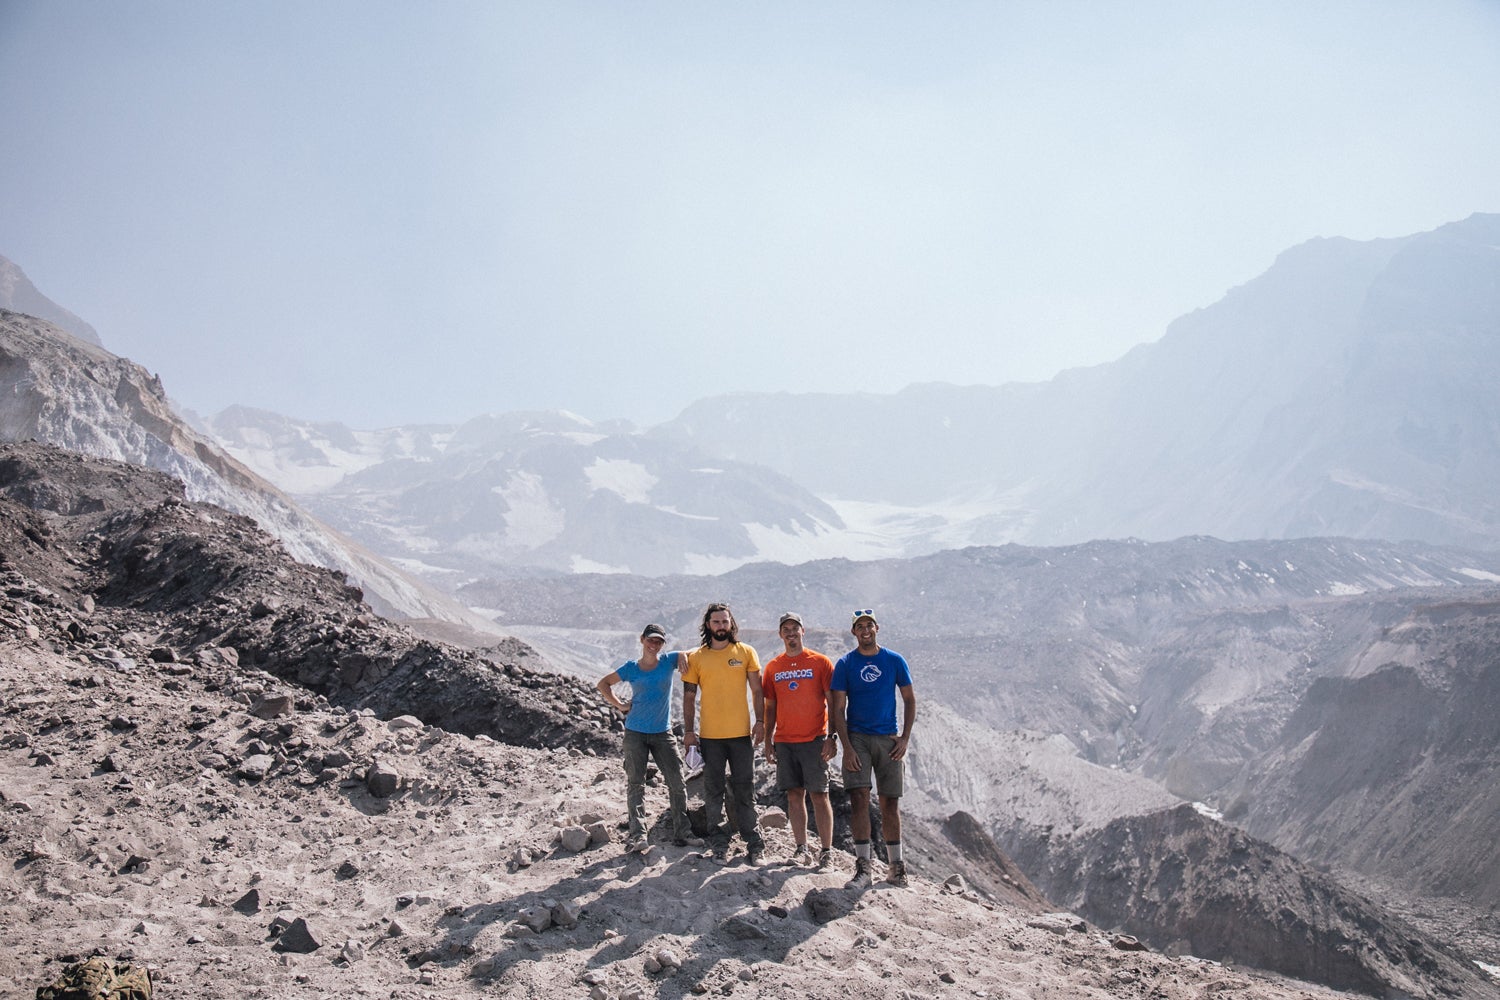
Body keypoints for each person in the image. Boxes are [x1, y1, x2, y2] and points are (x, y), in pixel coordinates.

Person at [596, 623, 701, 853]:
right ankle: (638, 836)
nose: (654, 645)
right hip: (635, 732)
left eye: (659, 641)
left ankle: (682, 832)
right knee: (636, 783)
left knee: (676, 781)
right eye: (651, 640)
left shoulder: (668, 661)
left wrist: (683, 653)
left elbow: (698, 651)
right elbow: (603, 684)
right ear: (642, 640)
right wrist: (621, 706)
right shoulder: (631, 668)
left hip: (663, 733)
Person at [831, 608, 917, 888]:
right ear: (853, 632)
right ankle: (863, 868)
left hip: (888, 738)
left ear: (877, 628)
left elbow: (909, 699)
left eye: (869, 625)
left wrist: (904, 738)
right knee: (858, 798)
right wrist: (846, 747)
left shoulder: (894, 660)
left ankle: (896, 867)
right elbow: (838, 708)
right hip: (857, 738)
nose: (865, 631)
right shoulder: (845, 664)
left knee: (890, 802)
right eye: (860, 627)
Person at [682, 602, 766, 865]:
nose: (721, 626)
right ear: (708, 625)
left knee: (745, 790)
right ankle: (719, 844)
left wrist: (761, 721)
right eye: (716, 622)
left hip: (741, 736)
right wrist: (688, 731)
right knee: (713, 790)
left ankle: (754, 843)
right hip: (710, 738)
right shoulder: (696, 657)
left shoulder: (746, 652)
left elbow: (757, 690)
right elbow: (688, 697)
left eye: (725, 621)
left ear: (731, 624)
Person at [761, 612, 837, 869]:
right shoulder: (773, 667)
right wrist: (768, 741)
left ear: (803, 631)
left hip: (814, 739)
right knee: (794, 795)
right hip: (785, 740)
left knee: (819, 794)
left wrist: (832, 737)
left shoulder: (820, 662)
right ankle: (801, 848)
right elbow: (770, 707)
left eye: (795, 628)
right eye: (786, 629)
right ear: (780, 634)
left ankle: (826, 851)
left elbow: (833, 702)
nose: (791, 633)